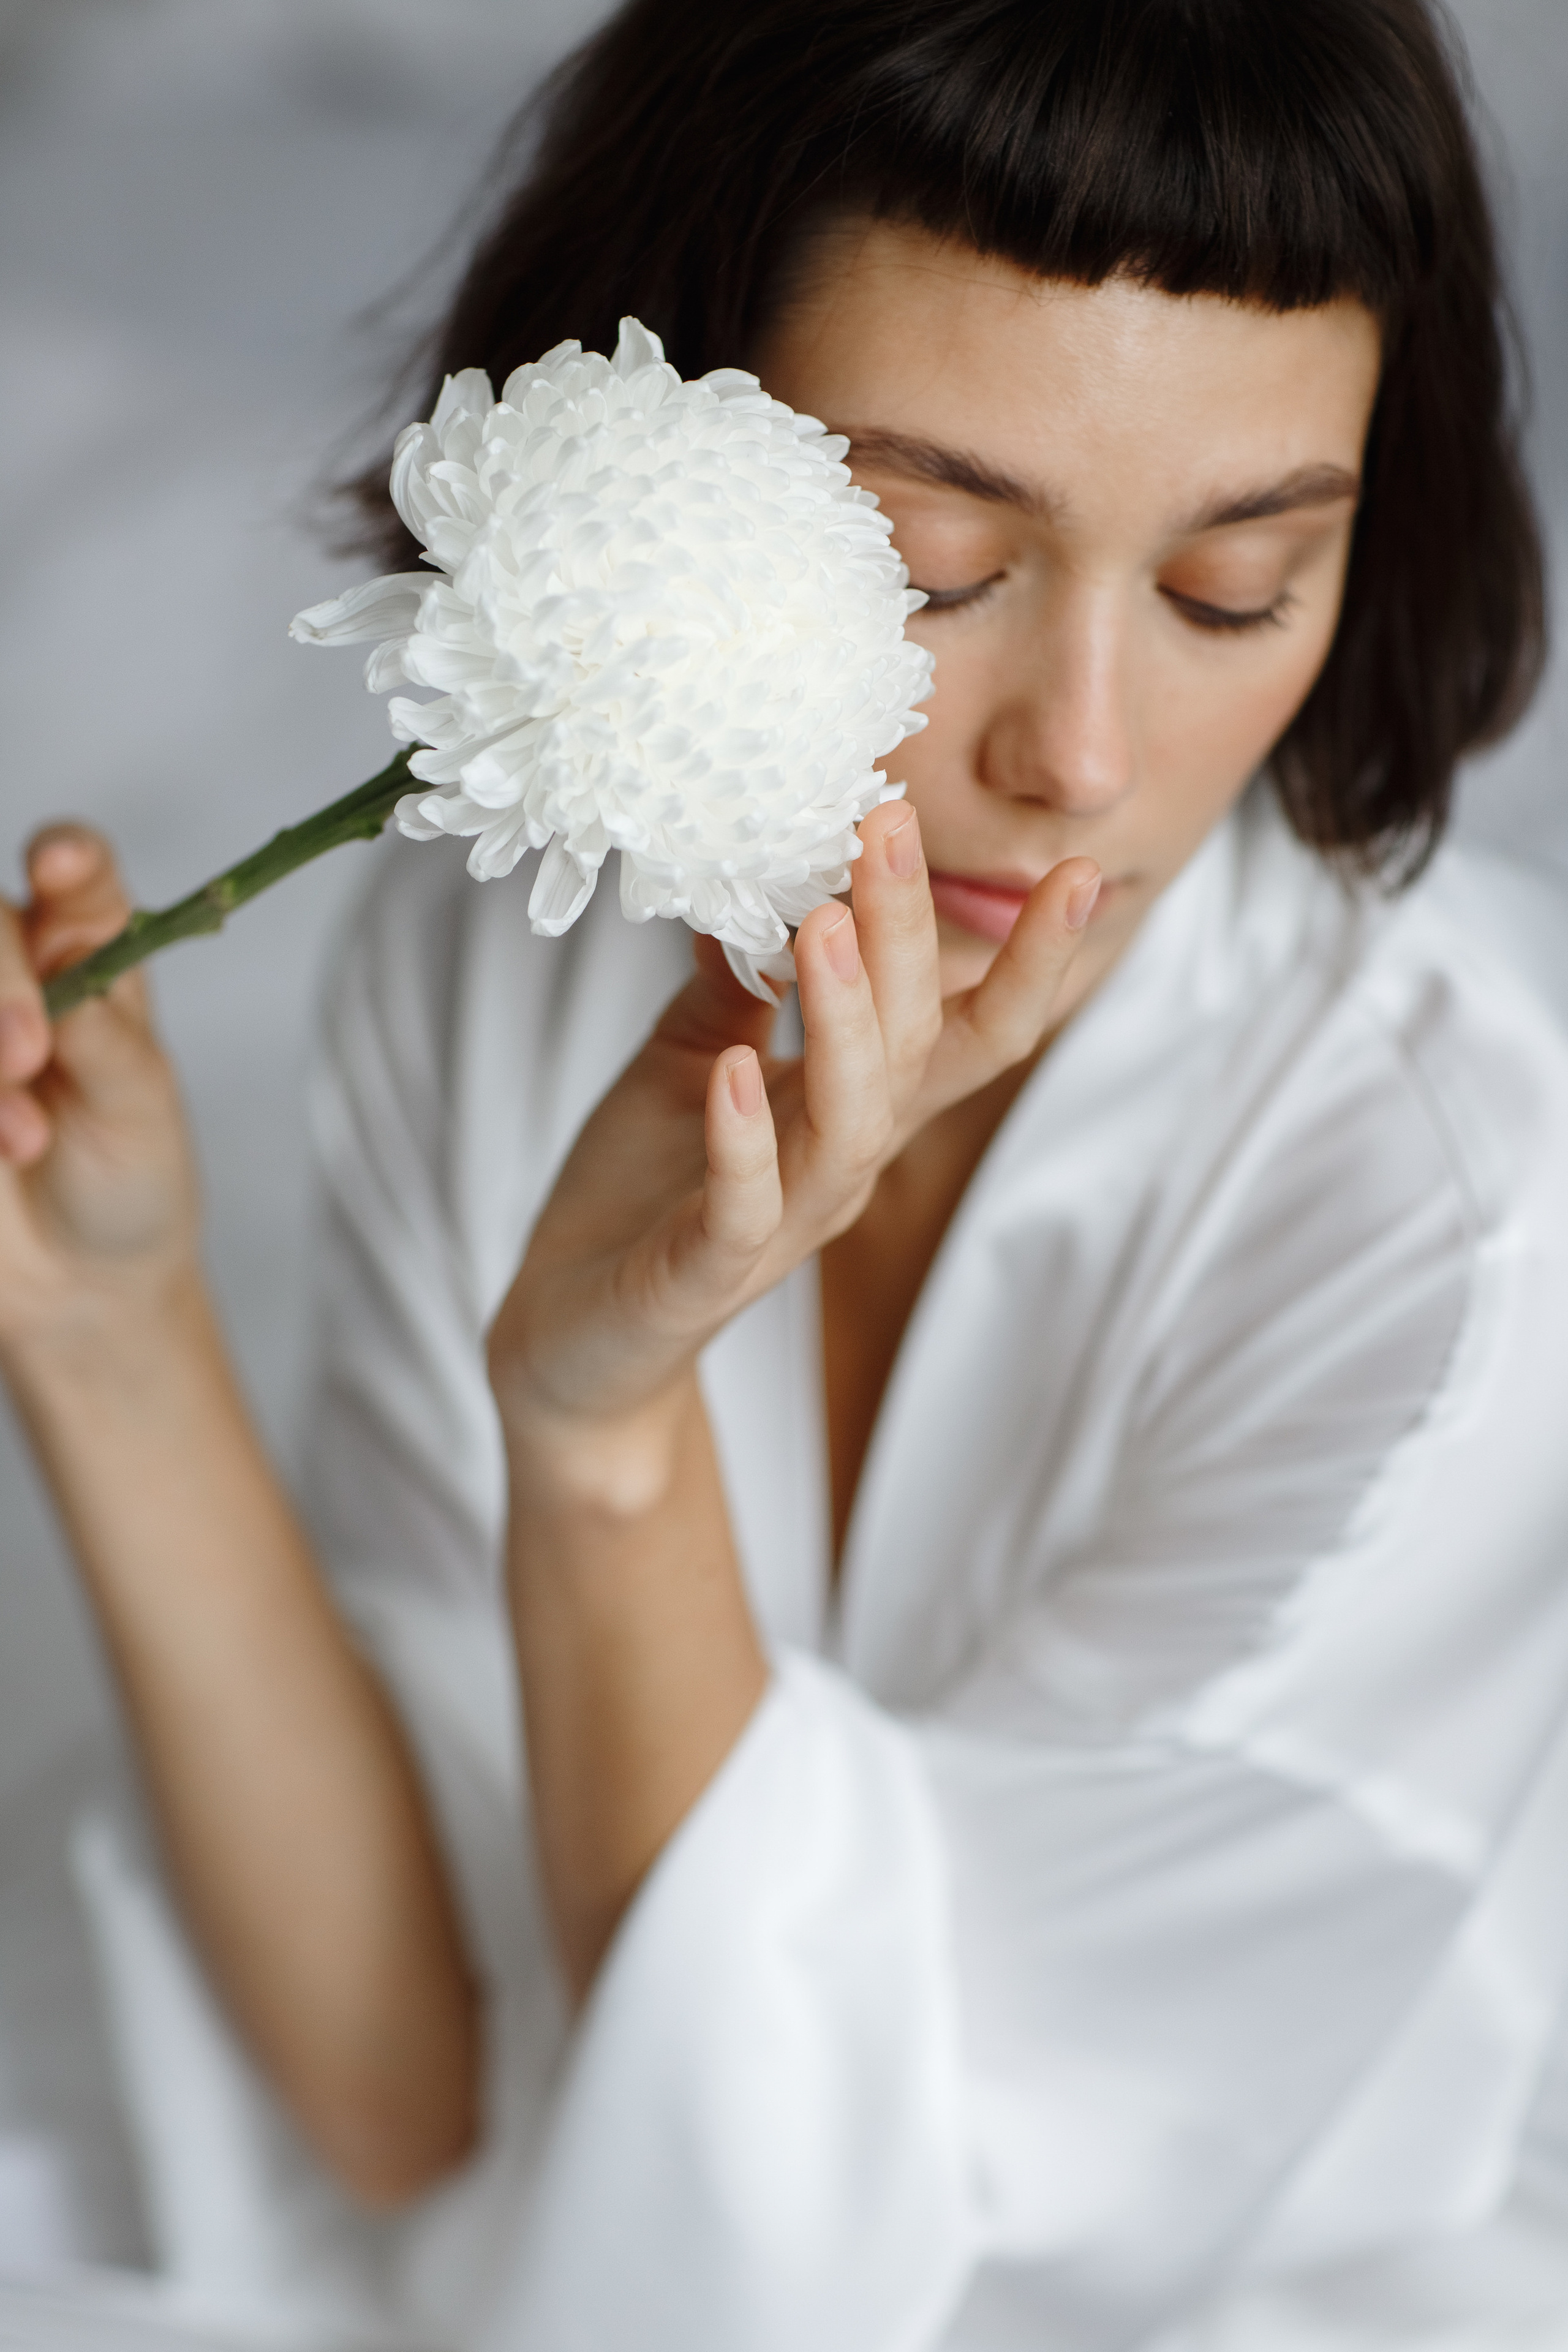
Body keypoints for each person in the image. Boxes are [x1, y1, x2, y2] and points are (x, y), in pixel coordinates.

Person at [2, 0, 1567, 2344]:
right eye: (934, 561)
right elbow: (409, 2090)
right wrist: (103, 1321)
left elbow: (815, 2264)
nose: (1085, 758)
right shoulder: (500, 954)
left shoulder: (1458, 1234)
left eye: (1241, 589)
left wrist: (602, 1436)